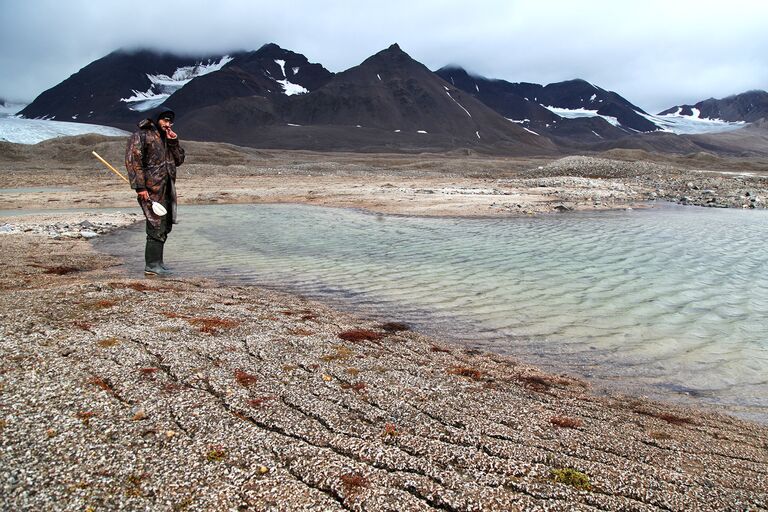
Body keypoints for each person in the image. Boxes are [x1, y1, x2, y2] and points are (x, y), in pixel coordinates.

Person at [125, 108, 185, 276]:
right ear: (157, 119)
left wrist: (174, 142)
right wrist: (140, 187)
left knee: (165, 225)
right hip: (151, 189)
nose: (168, 124)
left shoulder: (167, 138)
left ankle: (158, 262)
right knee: (155, 224)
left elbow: (179, 160)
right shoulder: (142, 135)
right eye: (165, 120)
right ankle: (151, 265)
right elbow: (133, 161)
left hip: (167, 188)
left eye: (170, 122)